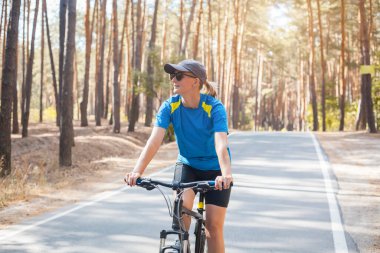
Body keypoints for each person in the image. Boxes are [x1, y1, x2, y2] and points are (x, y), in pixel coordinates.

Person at [124, 59, 233, 253]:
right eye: (172, 75)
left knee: (213, 228)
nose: (174, 79)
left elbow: (221, 144)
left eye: (179, 76)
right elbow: (154, 141)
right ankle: (182, 246)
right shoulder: (170, 106)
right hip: (188, 165)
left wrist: (226, 175)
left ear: (195, 81)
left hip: (216, 170)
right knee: (180, 213)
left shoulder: (214, 107)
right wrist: (136, 172)